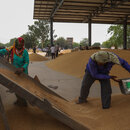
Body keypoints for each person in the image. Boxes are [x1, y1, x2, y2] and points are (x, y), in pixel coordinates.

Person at [0, 37, 29, 107]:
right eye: (18, 46)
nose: (19, 48)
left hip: (23, 73)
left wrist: (22, 68)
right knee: (15, 87)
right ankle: (19, 100)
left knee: (22, 88)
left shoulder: (25, 52)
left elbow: (26, 62)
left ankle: (24, 102)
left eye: (21, 46)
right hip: (14, 72)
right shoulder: (11, 49)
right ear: (15, 44)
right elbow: (3, 51)